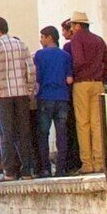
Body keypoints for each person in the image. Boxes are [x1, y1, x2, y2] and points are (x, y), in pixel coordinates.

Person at [0, 18, 37, 179]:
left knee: (6, 134)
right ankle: (27, 171)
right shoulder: (22, 45)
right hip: (21, 94)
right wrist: (29, 89)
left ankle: (10, 171)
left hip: (4, 96)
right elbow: (31, 69)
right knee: (23, 133)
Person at [64, 15, 107, 177]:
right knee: (97, 123)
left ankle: (87, 163)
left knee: (83, 123)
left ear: (77, 26)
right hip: (97, 82)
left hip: (82, 83)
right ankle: (99, 162)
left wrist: (75, 75)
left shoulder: (77, 39)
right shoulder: (98, 39)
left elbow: (78, 60)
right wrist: (102, 77)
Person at [33, 25, 76, 175]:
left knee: (43, 134)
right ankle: (61, 169)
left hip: (45, 96)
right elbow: (69, 79)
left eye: (42, 37)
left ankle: (45, 168)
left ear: (49, 37)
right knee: (62, 134)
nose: (40, 40)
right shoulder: (65, 56)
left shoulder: (39, 55)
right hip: (62, 97)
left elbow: (36, 78)